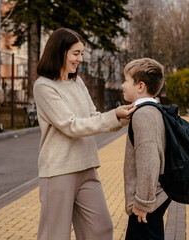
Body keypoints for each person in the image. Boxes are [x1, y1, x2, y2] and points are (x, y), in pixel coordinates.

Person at [33, 28, 134, 240]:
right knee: (55, 235)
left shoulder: (77, 82)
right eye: (76, 53)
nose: (81, 58)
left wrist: (122, 118)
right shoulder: (44, 86)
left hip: (87, 167)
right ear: (60, 52)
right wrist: (113, 116)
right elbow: (71, 126)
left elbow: (92, 116)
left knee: (101, 228)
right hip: (59, 171)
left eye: (82, 53)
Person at [121, 58, 171, 240]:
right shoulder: (154, 110)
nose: (123, 85)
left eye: (126, 80)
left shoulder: (144, 115)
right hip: (150, 200)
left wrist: (143, 202)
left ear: (140, 86)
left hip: (146, 203)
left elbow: (149, 160)